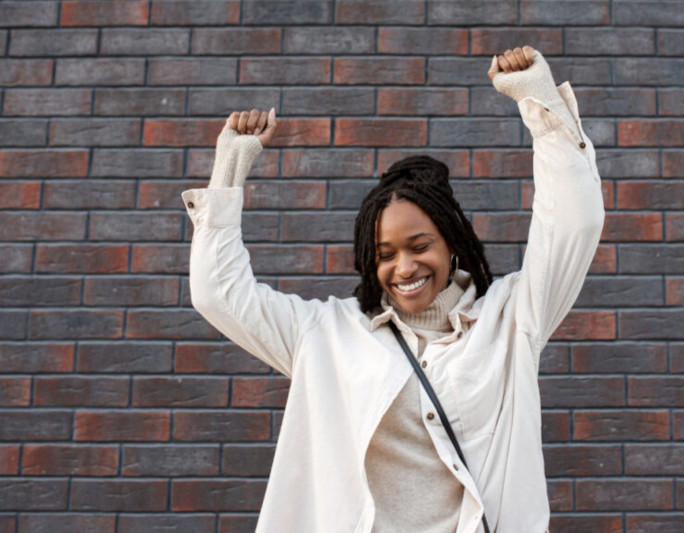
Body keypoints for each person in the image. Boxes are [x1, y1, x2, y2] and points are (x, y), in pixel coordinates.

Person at [182, 46, 604, 533]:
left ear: (452, 245)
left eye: (419, 246)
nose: (403, 267)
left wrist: (539, 102)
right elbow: (217, 293)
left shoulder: (512, 321)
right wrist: (230, 167)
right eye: (384, 255)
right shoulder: (324, 335)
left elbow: (574, 224)